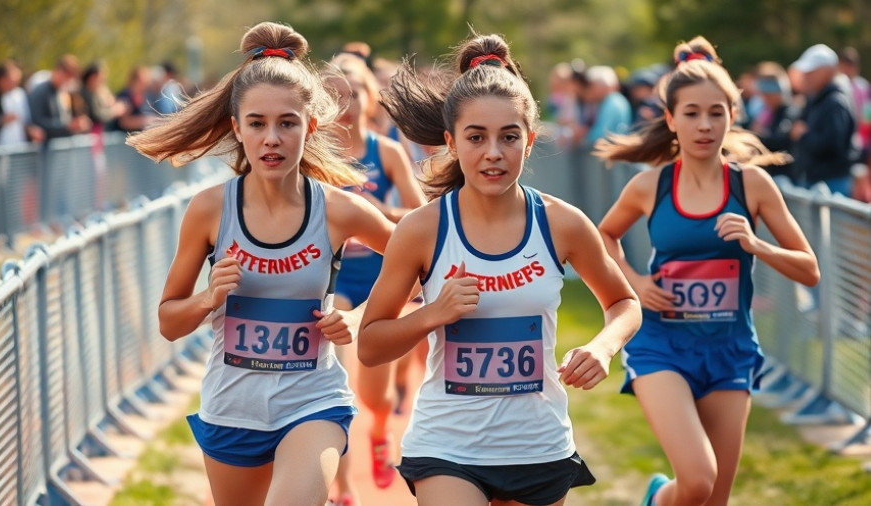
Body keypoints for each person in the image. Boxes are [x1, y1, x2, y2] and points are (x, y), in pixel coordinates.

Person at [358, 32, 642, 506]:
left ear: (528, 142)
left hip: (537, 446)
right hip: (446, 446)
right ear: (451, 142)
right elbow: (369, 346)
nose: (493, 152)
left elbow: (624, 302)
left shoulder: (563, 223)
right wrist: (432, 313)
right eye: (476, 137)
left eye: (509, 137)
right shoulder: (422, 229)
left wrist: (603, 347)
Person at [126, 21, 396, 506]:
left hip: (313, 403)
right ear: (237, 128)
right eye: (257, 124)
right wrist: (208, 298)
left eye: (287, 123)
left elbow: (419, 263)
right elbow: (168, 322)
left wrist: (359, 316)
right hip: (233, 411)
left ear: (310, 126)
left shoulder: (340, 210)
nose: (272, 138)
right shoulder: (210, 210)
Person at [594, 37, 820, 506]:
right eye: (692, 113)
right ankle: (661, 497)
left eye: (716, 113)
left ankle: (660, 498)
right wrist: (636, 282)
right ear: (671, 119)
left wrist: (756, 245)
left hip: (729, 349)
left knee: (712, 498)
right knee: (697, 480)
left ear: (732, 115)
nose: (704, 125)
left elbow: (810, 270)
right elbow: (603, 237)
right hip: (662, 345)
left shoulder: (752, 184)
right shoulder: (650, 186)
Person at [323, 52, 426, 505]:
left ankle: (381, 432)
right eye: (335, 97)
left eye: (354, 95)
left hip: (382, 281)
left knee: (375, 396)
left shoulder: (386, 152)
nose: (345, 106)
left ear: (370, 98)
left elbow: (422, 216)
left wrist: (378, 212)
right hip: (334, 281)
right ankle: (343, 487)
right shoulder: (317, 155)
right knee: (338, 386)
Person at [789, 43, 857, 196]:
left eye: (811, 72)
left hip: (832, 183)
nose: (806, 76)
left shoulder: (835, 102)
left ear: (827, 72)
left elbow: (833, 145)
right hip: (817, 181)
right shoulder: (816, 100)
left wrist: (803, 135)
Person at [28, 54, 92, 139]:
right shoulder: (41, 92)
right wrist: (68, 126)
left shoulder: (60, 92)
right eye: (68, 77)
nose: (68, 82)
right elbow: (37, 121)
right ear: (60, 72)